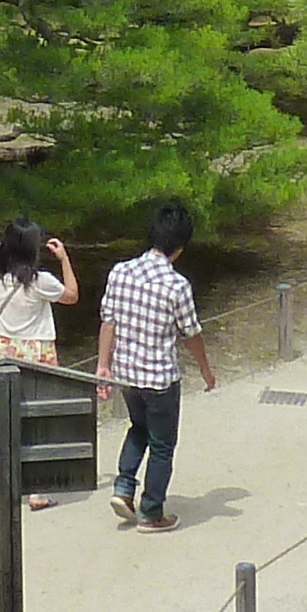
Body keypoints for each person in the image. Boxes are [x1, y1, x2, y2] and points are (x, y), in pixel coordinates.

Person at [94, 197, 216, 530]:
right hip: (160, 378)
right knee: (162, 445)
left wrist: (103, 365)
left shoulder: (121, 272)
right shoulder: (177, 286)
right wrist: (205, 368)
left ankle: (123, 486)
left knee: (138, 429)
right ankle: (151, 511)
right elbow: (191, 333)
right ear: (180, 247)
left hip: (127, 375)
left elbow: (109, 321)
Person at [0, 218, 80, 508]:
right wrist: (64, 259)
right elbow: (72, 295)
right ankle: (37, 490)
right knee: (40, 421)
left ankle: (0, 483)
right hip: (37, 354)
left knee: (5, 420)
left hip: (1, 350)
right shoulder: (38, 281)